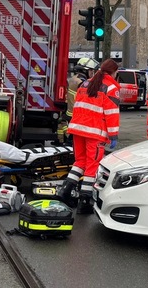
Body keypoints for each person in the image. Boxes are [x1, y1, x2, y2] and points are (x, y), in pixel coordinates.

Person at [57, 58, 120, 214]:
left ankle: (65, 190)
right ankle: (85, 201)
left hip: (78, 129)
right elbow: (112, 113)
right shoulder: (111, 88)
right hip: (94, 132)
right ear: (113, 72)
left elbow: (77, 106)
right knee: (92, 165)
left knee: (80, 161)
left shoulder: (85, 84)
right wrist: (113, 135)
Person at [57, 57, 99, 144]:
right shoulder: (83, 83)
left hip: (70, 112)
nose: (92, 73)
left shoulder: (74, 79)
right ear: (84, 70)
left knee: (70, 135)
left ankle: (65, 141)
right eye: (91, 70)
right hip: (78, 115)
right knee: (76, 140)